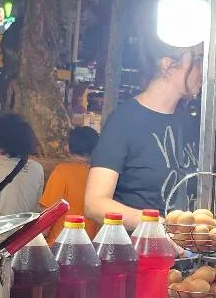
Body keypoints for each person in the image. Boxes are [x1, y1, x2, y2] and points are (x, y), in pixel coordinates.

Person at [84, 39, 201, 230]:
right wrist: (158, 225)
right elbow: (94, 203)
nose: (202, 69)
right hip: (135, 253)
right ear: (168, 66)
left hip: (184, 254)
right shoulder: (124, 121)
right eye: (197, 60)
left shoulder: (189, 124)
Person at [41, 126, 100, 241]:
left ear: (67, 147)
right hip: (88, 247)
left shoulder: (61, 172)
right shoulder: (98, 176)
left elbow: (48, 214)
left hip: (59, 247)